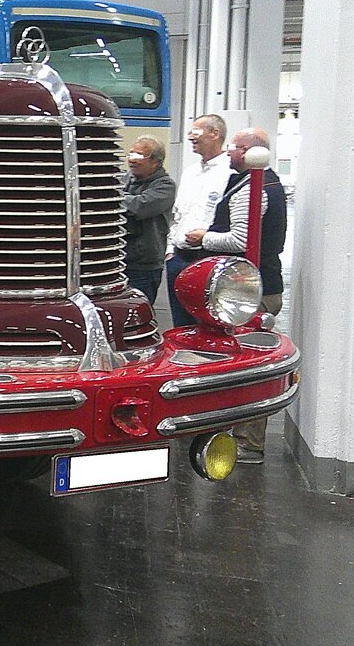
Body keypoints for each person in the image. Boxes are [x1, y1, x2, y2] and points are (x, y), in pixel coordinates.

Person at [184, 126, 288, 463]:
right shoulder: (263, 182)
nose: (229, 152)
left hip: (250, 292)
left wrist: (203, 238)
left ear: (248, 151)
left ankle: (249, 442)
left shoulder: (254, 188)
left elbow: (242, 240)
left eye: (233, 147)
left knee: (252, 366)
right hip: (256, 288)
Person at [164, 114, 231, 326]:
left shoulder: (230, 173)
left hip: (207, 257)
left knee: (207, 322)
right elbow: (178, 215)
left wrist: (206, 238)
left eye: (197, 131)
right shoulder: (190, 172)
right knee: (181, 323)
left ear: (215, 134)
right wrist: (170, 250)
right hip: (178, 258)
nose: (191, 137)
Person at [121, 136, 176, 304]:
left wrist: (111, 196)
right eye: (131, 154)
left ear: (156, 162)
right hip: (119, 261)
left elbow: (139, 206)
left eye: (139, 156)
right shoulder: (125, 180)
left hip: (143, 267)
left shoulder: (165, 186)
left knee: (139, 311)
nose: (132, 160)